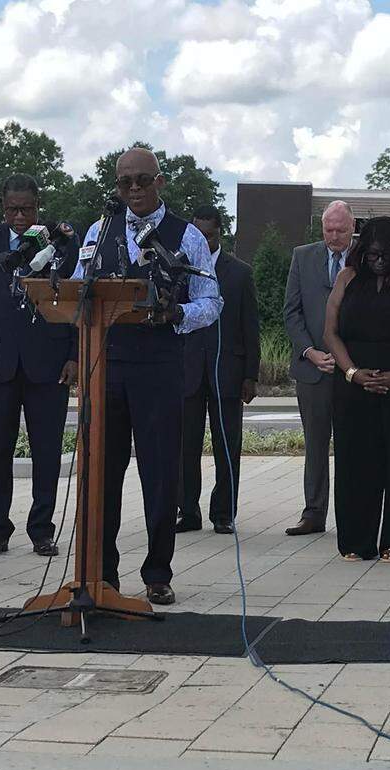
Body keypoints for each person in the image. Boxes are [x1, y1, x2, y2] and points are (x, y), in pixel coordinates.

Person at [72, 148, 222, 605]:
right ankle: (104, 573)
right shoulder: (100, 230)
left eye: (141, 181)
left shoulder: (188, 235)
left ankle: (158, 571)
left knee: (160, 473)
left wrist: (177, 312)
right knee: (104, 472)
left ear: (160, 182)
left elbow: (211, 302)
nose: (133, 190)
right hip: (108, 366)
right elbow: (79, 288)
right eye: (124, 183)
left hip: (160, 366)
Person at [0, 173, 79, 558]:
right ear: (2, 207)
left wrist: (75, 355)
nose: (20, 217)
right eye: (13, 210)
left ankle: (42, 530)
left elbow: (78, 300)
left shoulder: (59, 242)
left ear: (38, 206)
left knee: (47, 452)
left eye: (27, 209)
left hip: (49, 364)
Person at [323, 216, 390, 562]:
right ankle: (357, 541)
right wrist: (353, 372)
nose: (378, 260)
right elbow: (331, 333)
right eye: (371, 254)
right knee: (357, 463)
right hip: (355, 386)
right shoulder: (347, 278)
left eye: (384, 254)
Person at [178, 204, 260, 535]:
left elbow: (250, 326)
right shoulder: (180, 270)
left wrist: (250, 375)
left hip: (227, 371)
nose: (202, 241)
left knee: (227, 444)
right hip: (187, 371)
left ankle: (223, 512)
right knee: (185, 445)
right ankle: (188, 511)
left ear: (219, 234)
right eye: (196, 235)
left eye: (208, 236)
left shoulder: (239, 273)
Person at [282, 200, 354, 536]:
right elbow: (291, 312)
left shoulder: (366, 258)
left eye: (341, 230)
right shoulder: (302, 256)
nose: (334, 236)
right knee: (315, 444)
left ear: (352, 228)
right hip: (313, 369)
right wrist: (310, 352)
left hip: (353, 371)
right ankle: (313, 513)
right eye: (329, 230)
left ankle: (353, 514)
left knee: (354, 443)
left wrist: (347, 359)